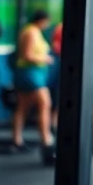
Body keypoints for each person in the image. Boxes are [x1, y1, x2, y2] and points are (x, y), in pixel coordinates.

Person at [12, 10, 55, 159]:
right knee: (45, 103)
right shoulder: (31, 32)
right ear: (42, 20)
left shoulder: (34, 31)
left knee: (23, 106)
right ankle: (46, 140)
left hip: (33, 72)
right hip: (30, 73)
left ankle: (17, 140)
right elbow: (27, 55)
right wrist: (45, 59)